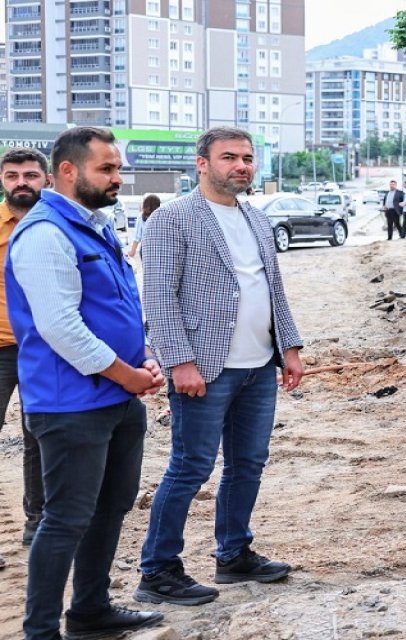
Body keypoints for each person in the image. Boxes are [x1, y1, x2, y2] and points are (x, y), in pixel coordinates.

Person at [7, 126, 166, 639]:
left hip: (117, 396)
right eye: (107, 169)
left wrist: (144, 361)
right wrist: (130, 376)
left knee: (112, 505)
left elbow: (117, 303)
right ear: (70, 171)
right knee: (66, 517)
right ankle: (40, 631)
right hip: (71, 403)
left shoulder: (95, 225)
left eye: (118, 168)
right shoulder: (45, 233)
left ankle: (91, 611)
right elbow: (60, 327)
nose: (118, 178)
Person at [136, 126, 306, 605]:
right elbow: (160, 300)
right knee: (190, 467)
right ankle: (157, 571)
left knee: (248, 464)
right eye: (229, 157)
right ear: (202, 164)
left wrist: (289, 348)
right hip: (205, 371)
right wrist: (180, 363)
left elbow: (274, 290)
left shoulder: (256, 218)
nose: (241, 166)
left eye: (247, 158)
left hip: (258, 367)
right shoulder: (172, 220)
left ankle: (234, 555)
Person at [0, 148, 51, 566]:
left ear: (47, 179)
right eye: (13, 175)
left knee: (40, 437)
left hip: (45, 349)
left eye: (30, 175)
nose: (22, 182)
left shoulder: (58, 224)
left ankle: (38, 520)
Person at [127, 193, 162, 261]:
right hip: (160, 248)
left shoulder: (142, 217)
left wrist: (132, 252)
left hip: (146, 249)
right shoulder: (162, 216)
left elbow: (137, 237)